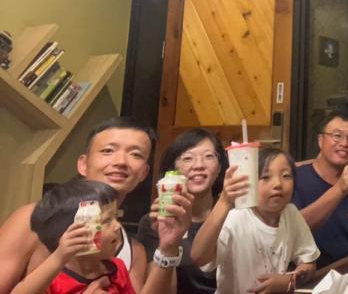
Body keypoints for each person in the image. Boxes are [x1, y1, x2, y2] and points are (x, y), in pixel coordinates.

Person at [0, 117, 156, 293]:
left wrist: (168, 250)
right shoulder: (33, 219)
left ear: (144, 173)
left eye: (136, 154)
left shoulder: (134, 251)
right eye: (108, 151)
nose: (121, 161)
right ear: (83, 164)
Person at [192, 147, 319, 294]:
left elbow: (309, 262)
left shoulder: (291, 213)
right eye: (265, 177)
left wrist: (289, 281)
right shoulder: (236, 218)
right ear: (248, 181)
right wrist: (224, 201)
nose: (278, 184)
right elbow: (199, 257)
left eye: (286, 176)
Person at [136, 128, 228, 294]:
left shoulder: (232, 214)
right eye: (187, 158)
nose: (199, 165)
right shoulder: (157, 221)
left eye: (209, 156)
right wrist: (169, 245)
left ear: (220, 167)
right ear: (173, 169)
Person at [292, 111, 348, 266]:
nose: (344, 143)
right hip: (310, 274)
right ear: (320, 140)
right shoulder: (296, 180)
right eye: (336, 135)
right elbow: (290, 232)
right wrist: (340, 188)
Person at [11, 179, 135, 294]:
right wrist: (59, 257)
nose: (117, 226)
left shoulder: (117, 268)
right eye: (107, 220)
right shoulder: (51, 278)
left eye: (116, 217)